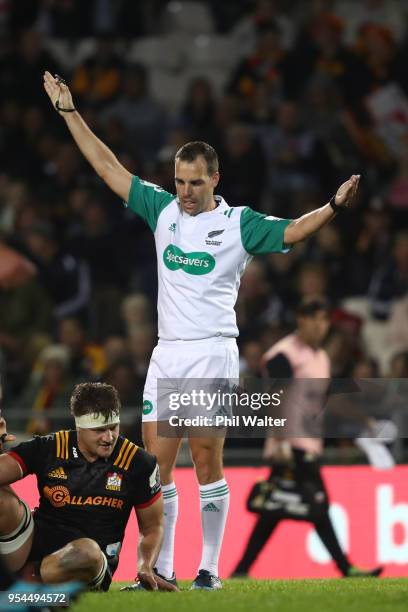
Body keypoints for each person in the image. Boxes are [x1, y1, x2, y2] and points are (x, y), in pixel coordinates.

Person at [42, 71, 360, 590]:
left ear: (215, 180)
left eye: (195, 182)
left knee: (207, 460)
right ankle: (162, 569)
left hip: (212, 353)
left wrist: (332, 207)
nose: (185, 192)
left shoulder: (239, 224)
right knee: (154, 470)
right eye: (179, 181)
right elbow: (106, 166)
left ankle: (209, 568)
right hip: (167, 353)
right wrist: (68, 112)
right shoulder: (162, 211)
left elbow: (294, 231)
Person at [231, 297, 383, 578]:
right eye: (316, 319)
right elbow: (273, 398)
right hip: (290, 444)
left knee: (275, 510)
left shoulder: (320, 357)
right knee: (317, 504)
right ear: (302, 320)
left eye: (325, 320)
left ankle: (241, 569)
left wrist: (364, 420)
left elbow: (323, 400)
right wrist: (281, 441)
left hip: (307, 443)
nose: (321, 326)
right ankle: (345, 567)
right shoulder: (283, 355)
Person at [0, 383, 177, 592]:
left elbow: (152, 527)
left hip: (89, 562)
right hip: (33, 546)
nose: (108, 437)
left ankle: (18, 586)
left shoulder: (139, 462)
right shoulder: (50, 447)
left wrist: (145, 566)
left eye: (113, 427)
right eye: (99, 430)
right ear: (80, 428)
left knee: (87, 551)